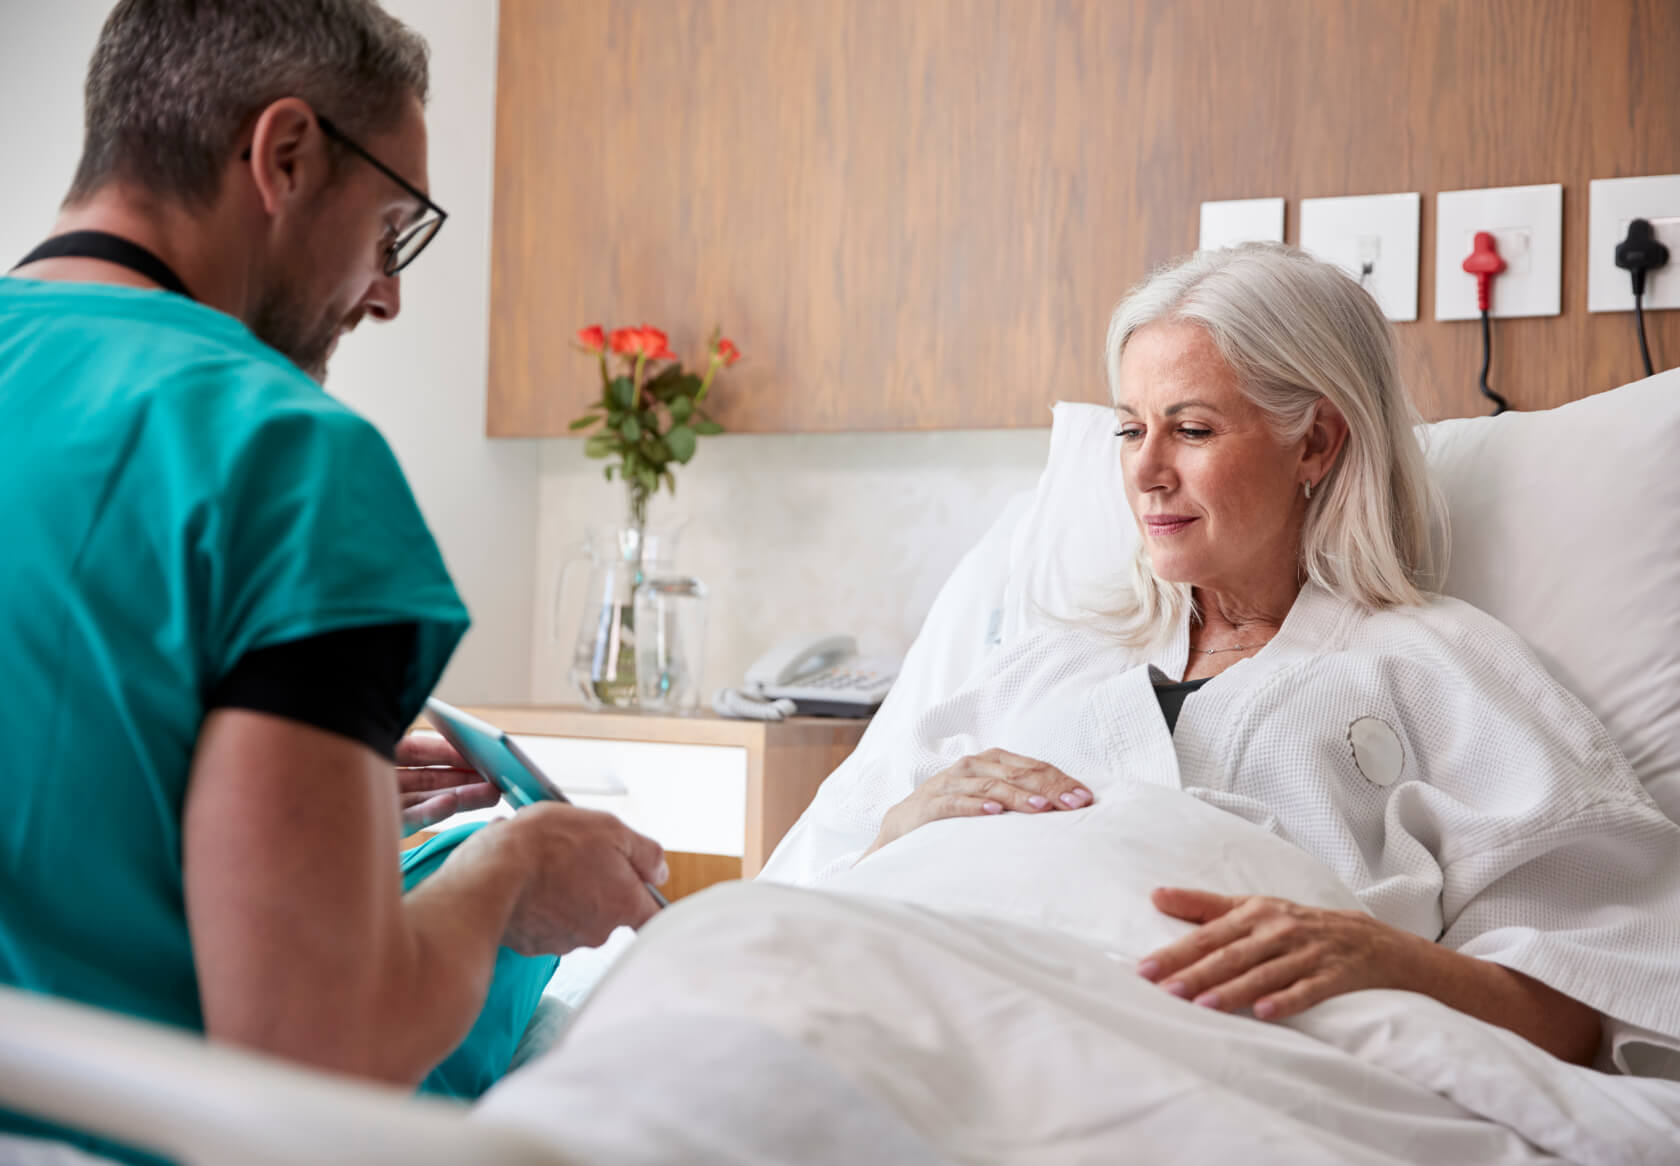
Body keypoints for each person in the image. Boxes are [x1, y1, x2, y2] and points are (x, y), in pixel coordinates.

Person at [0, 0, 664, 1155]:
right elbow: (314, 1054)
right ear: (287, 155)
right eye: (393, 226)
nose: (387, 291)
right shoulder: (289, 452)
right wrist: (516, 868)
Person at [764, 243, 1680, 1072]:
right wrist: (904, 825)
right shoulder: (1042, 667)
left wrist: (1381, 959)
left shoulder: (1438, 672)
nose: (1145, 470)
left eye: (1192, 431)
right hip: (915, 1043)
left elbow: (1581, 1016)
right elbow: (804, 912)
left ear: (1315, 441)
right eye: (1130, 429)